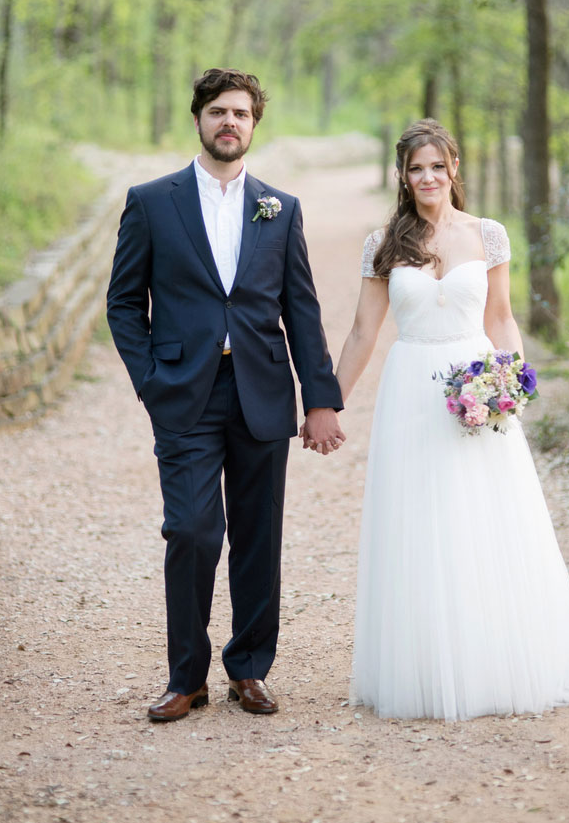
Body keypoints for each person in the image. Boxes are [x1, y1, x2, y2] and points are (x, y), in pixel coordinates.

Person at [334, 118, 569, 721]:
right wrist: (328, 402)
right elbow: (362, 332)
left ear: (454, 168)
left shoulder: (488, 235)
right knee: (417, 521)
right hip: (409, 392)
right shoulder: (385, 242)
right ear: (402, 177)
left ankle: (491, 656)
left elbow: (502, 319)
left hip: (475, 387)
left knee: (480, 517)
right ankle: (426, 663)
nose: (428, 177)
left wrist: (509, 383)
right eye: (416, 168)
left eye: (437, 165)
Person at [107, 68, 344, 721]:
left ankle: (248, 668)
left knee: (259, 534)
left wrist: (320, 397)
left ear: (254, 124)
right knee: (191, 527)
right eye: (218, 111)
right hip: (182, 393)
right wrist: (150, 380)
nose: (229, 122)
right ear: (198, 119)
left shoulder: (279, 207)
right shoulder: (152, 201)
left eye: (240, 112)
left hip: (263, 390)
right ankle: (186, 676)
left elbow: (302, 309)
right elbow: (124, 303)